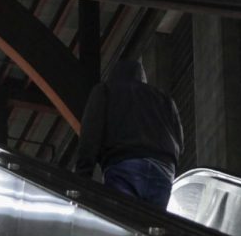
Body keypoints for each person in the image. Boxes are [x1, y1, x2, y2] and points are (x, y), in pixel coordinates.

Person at [73, 58, 184, 209]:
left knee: (124, 221)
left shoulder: (105, 90)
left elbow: (91, 133)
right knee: (153, 225)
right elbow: (180, 142)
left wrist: (82, 176)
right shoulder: (164, 99)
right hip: (163, 170)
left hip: (124, 163)